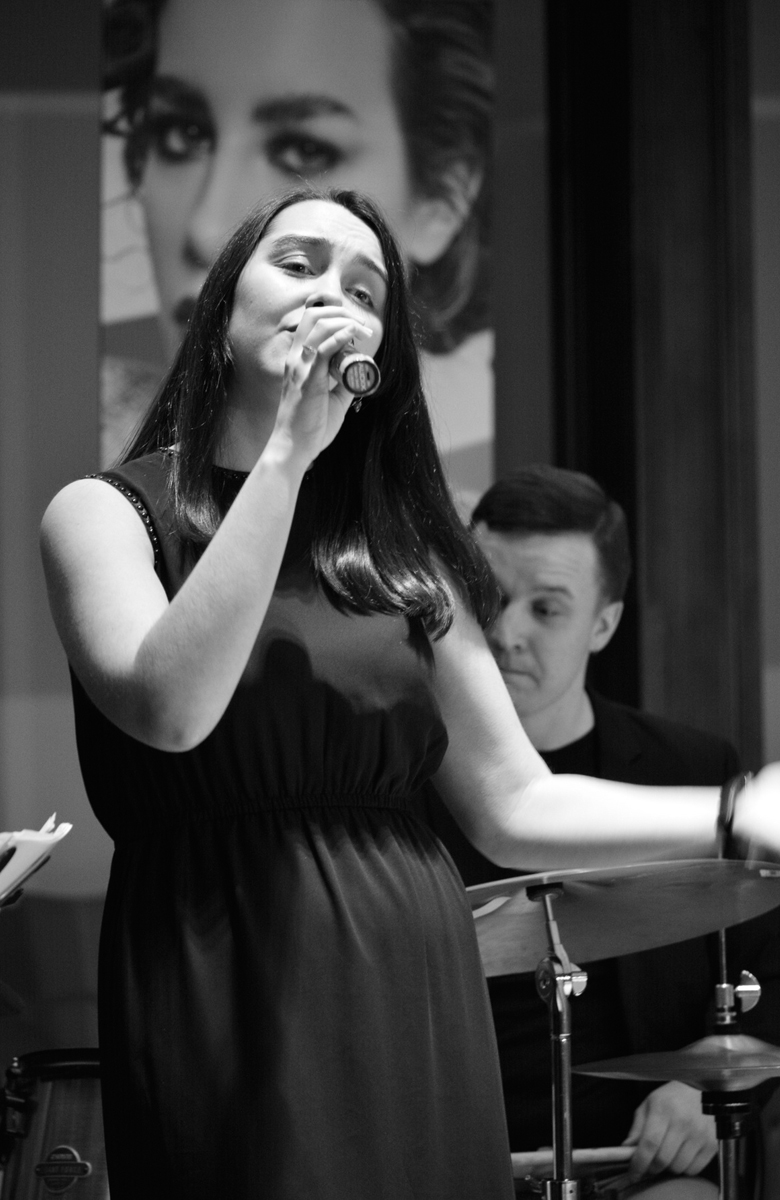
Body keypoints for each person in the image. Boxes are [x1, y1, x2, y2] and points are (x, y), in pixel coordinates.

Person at [40, 188, 780, 1200]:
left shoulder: (402, 560)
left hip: (409, 970)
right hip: (221, 963)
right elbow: (171, 711)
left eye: (364, 289)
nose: (331, 296)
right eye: (297, 264)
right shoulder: (107, 513)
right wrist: (289, 453)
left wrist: (735, 811)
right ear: (221, 311)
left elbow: (516, 802)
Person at [424, 464, 780, 1199]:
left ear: (605, 624)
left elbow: (773, 977)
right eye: (490, 597)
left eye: (547, 609)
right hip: (450, 1161)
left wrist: (705, 1085)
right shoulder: (400, 777)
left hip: (637, 1165)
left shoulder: (689, 767)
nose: (506, 631)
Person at [100, 0, 493, 484]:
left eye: (305, 149)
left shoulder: (435, 527)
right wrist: (288, 450)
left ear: (442, 199)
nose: (207, 231)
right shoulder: (112, 503)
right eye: (183, 134)